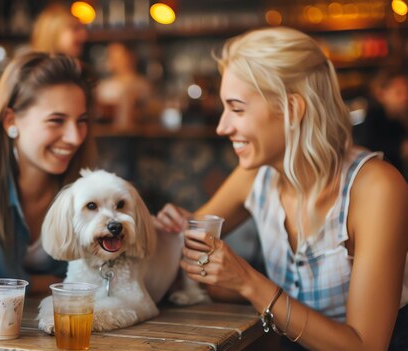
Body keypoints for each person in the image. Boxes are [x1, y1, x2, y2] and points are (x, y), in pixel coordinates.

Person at [155, 27, 407, 350]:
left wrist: (247, 282)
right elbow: (188, 246)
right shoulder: (257, 175)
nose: (222, 126)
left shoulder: (376, 189)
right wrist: (167, 230)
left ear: (293, 109)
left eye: (237, 108)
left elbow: (366, 346)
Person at [0, 52, 97, 295]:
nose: (75, 137)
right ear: (10, 121)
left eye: (81, 121)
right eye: (56, 121)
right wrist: (41, 284)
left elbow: (98, 274)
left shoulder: (83, 186)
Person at [353, 69, 408, 180]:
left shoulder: (400, 116)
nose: (405, 98)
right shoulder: (373, 118)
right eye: (399, 93)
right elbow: (371, 147)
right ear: (381, 95)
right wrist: (400, 148)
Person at [96, 42, 151, 128]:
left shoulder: (142, 84)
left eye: (118, 57)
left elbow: (147, 112)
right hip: (106, 133)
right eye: (111, 57)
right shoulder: (103, 86)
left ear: (131, 57)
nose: (114, 61)